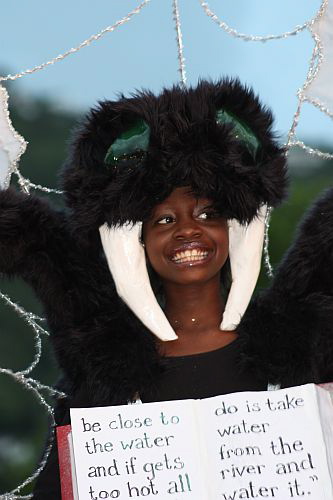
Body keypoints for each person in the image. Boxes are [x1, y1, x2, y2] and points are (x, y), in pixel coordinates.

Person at [0, 79, 332, 498]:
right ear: (136, 238)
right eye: (165, 220)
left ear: (234, 227)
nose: (189, 231)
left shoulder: (300, 354)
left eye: (207, 214)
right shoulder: (105, 381)